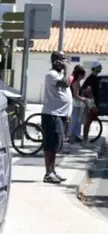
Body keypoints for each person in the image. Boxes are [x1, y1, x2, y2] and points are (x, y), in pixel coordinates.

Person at [41, 51, 72, 184]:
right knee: (51, 145)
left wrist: (68, 114)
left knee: (56, 145)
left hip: (61, 114)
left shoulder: (59, 74)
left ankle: (53, 171)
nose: (65, 61)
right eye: (62, 59)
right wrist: (67, 68)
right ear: (55, 61)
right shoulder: (51, 74)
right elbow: (66, 84)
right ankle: (48, 173)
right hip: (52, 114)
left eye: (65, 59)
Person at [67, 65, 90, 143]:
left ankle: (75, 136)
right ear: (79, 75)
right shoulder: (76, 83)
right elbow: (76, 96)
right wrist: (84, 99)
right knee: (74, 120)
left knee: (76, 121)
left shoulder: (76, 82)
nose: (84, 76)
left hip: (76, 104)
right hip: (75, 104)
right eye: (83, 75)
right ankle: (71, 136)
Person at [81, 60, 102, 144]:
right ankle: (85, 139)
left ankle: (85, 139)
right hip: (90, 104)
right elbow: (86, 90)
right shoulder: (91, 78)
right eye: (99, 67)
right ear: (95, 68)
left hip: (92, 103)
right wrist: (92, 102)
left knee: (89, 121)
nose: (100, 68)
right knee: (88, 121)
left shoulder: (94, 78)